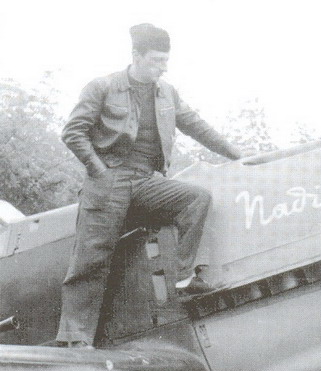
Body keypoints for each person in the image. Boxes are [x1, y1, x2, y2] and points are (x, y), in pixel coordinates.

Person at [56, 23, 245, 348]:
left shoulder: (167, 93)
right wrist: (99, 171)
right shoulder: (102, 87)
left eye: (165, 60)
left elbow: (197, 126)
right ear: (136, 55)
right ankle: (74, 339)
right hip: (108, 182)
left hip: (146, 181)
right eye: (157, 60)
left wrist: (238, 156)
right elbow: (73, 132)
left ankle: (184, 278)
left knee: (195, 199)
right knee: (91, 260)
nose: (163, 67)